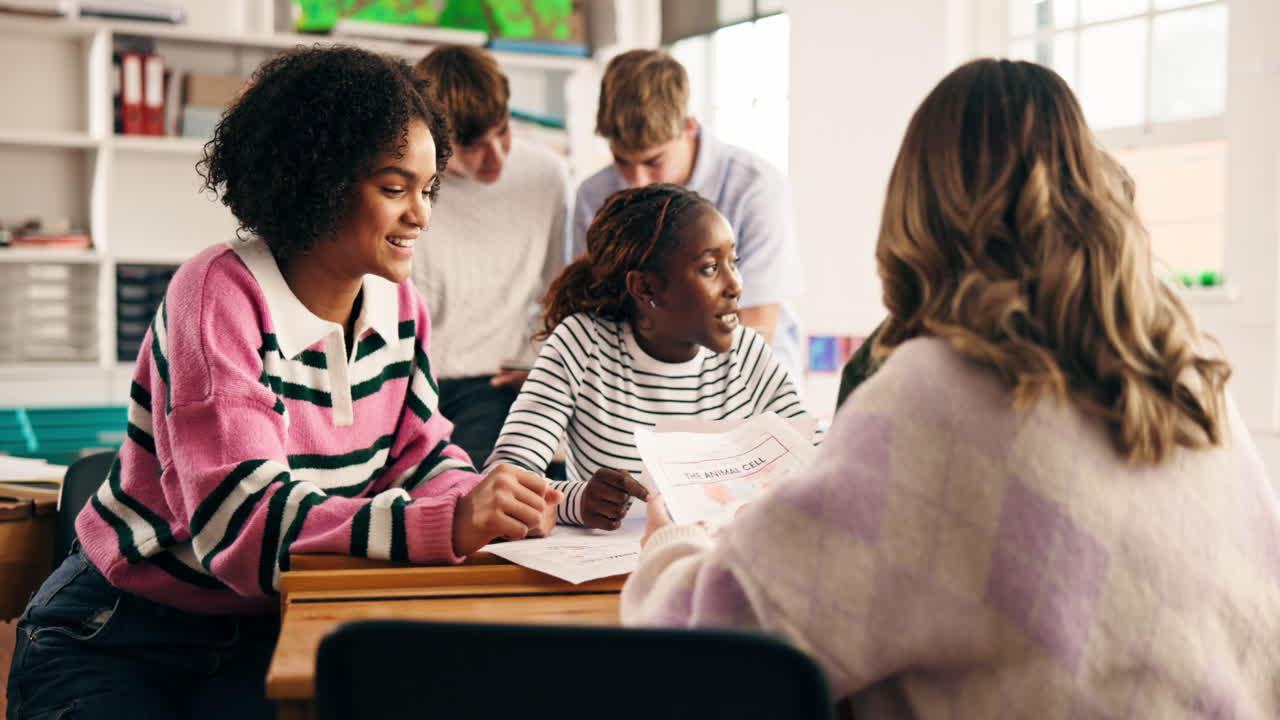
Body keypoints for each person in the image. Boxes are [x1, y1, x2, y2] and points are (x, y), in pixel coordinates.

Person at [622, 59, 1280, 716]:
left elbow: (719, 648)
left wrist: (671, 541)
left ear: (917, 209)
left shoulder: (935, 395)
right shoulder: (1189, 372)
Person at [6, 46, 560, 719]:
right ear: (317, 180)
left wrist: (487, 503)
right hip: (123, 635)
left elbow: (420, 456)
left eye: (428, 187)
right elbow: (244, 526)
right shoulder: (217, 295)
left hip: (273, 626)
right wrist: (448, 522)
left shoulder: (398, 305)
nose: (423, 215)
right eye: (394, 188)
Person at [487, 183, 816, 531]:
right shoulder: (582, 344)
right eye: (709, 268)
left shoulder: (748, 353)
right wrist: (577, 500)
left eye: (732, 262)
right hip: (615, 578)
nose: (735, 285)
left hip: (725, 565)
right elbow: (503, 477)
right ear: (645, 288)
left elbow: (820, 465)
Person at [571, 49, 805, 381]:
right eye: (622, 161)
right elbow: (591, 308)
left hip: (748, 382)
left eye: (653, 162)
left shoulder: (756, 186)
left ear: (689, 127)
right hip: (636, 384)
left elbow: (758, 319)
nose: (635, 182)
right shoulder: (593, 195)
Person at [410, 45, 571, 468]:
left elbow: (557, 289)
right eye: (472, 146)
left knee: (520, 490)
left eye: (502, 131)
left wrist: (542, 367)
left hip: (503, 378)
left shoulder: (546, 175)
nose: (496, 156)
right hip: (419, 382)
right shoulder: (403, 186)